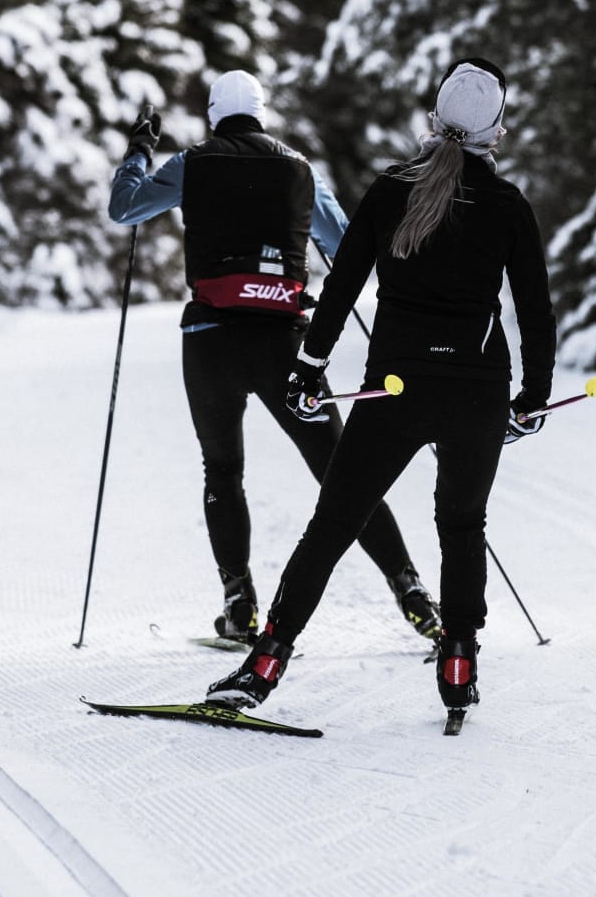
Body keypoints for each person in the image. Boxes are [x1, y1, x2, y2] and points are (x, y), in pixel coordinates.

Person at [206, 56, 556, 715]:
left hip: (395, 388)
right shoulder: (507, 205)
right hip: (479, 388)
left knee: (334, 523)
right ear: (497, 130)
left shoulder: (391, 188)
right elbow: (535, 310)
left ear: (436, 115)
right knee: (462, 523)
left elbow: (341, 287)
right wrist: (533, 396)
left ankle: (267, 660)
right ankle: (459, 662)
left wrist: (309, 368)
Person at [108, 70, 441, 645]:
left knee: (223, 471)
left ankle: (240, 605)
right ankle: (412, 591)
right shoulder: (300, 169)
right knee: (342, 473)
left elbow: (126, 210)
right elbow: (344, 249)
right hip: (285, 344)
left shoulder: (193, 162)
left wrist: (139, 150)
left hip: (211, 340)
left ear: (216, 114)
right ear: (262, 113)